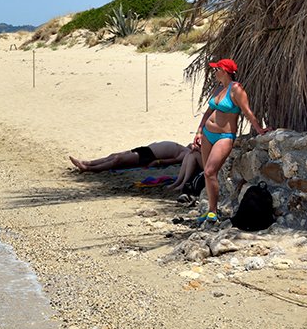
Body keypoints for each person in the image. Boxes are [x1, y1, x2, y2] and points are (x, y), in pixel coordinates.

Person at [193, 58, 269, 224]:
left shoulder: (236, 89)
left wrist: (259, 129)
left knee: (209, 172)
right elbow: (208, 112)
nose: (214, 72)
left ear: (225, 71)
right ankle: (210, 210)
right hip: (207, 134)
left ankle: (213, 211)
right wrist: (199, 131)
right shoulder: (218, 89)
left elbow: (247, 111)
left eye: (217, 69)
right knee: (207, 171)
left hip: (224, 136)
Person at [69, 141, 195, 173]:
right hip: (146, 149)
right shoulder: (186, 147)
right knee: (114, 155)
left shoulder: (187, 154)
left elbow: (174, 160)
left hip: (150, 155)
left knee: (118, 160)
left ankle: (88, 169)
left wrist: (157, 162)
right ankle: (88, 162)